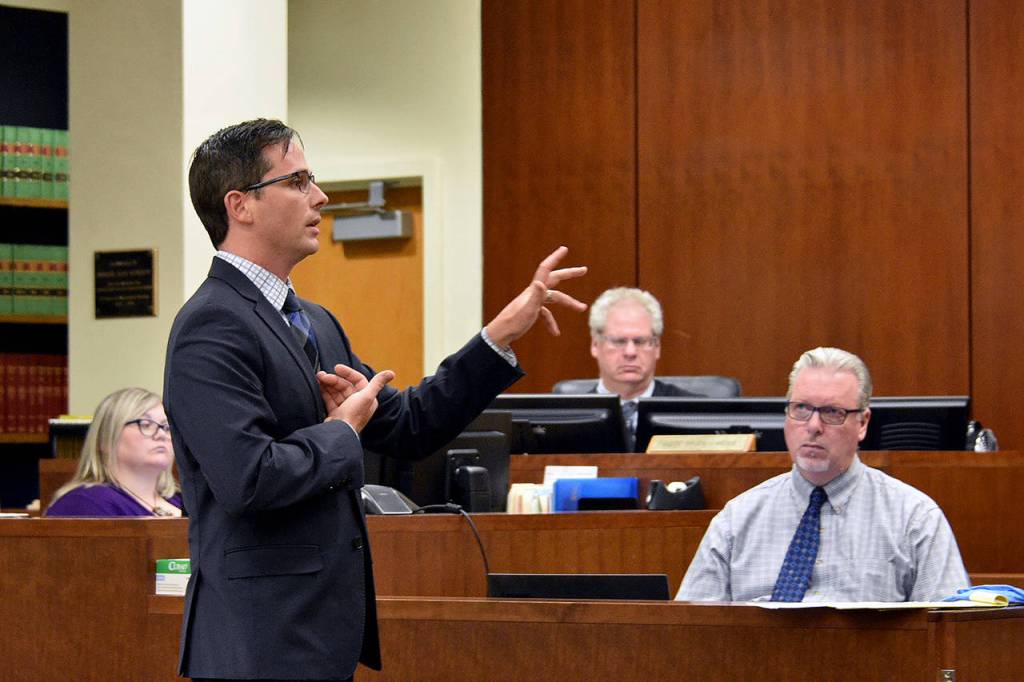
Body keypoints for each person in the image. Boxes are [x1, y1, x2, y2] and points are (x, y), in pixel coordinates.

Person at [164, 118, 587, 681]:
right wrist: (341, 431)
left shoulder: (312, 320)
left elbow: (409, 426)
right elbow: (249, 478)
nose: (321, 196)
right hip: (258, 639)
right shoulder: (211, 324)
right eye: (298, 181)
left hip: (320, 633)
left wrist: (498, 337)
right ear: (240, 205)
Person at [676, 346, 969, 603]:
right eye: (801, 408)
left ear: (863, 423)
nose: (813, 425)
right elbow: (691, 635)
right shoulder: (737, 520)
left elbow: (949, 636)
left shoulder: (914, 518)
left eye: (831, 412)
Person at [45, 387, 182, 517]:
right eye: (146, 424)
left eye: (166, 426)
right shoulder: (84, 505)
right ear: (105, 439)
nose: (161, 434)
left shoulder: (182, 501)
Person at [588, 287, 695, 447]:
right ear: (595, 345)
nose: (630, 352)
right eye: (618, 341)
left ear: (657, 348)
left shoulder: (692, 412)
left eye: (640, 341)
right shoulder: (568, 415)